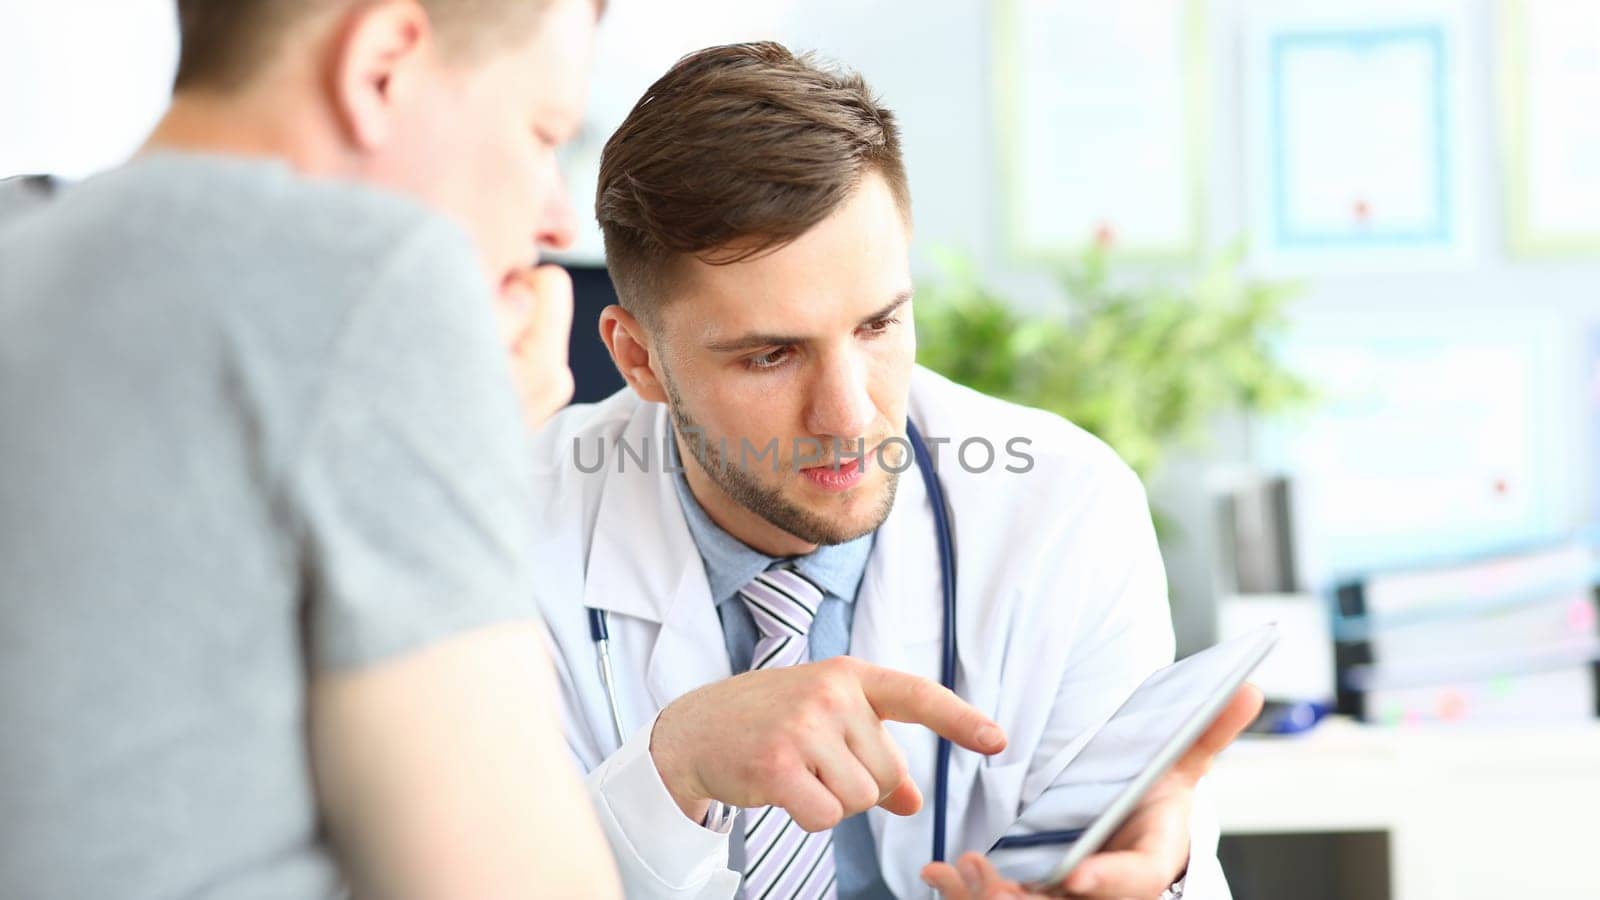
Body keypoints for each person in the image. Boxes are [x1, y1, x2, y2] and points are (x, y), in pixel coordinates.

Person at [529, 42, 1262, 899]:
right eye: (771, 355)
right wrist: (673, 769)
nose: (849, 416)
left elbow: (1129, 845)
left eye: (878, 327)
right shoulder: (504, 530)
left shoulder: (1064, 508)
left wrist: (1154, 870)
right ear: (638, 358)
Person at [0, 2, 621, 898]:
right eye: (544, 134)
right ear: (381, 67)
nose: (557, 221)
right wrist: (473, 438)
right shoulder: (375, 275)